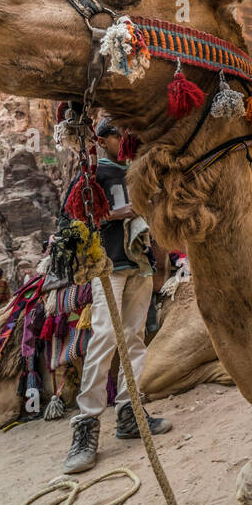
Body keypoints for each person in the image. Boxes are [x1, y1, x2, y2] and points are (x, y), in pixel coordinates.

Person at [62, 118, 171, 474]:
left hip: (139, 262)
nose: (124, 141)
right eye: (118, 136)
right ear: (103, 140)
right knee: (106, 337)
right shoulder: (94, 173)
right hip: (108, 262)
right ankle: (87, 424)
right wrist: (118, 213)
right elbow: (76, 216)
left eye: (127, 136)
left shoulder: (134, 172)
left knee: (134, 338)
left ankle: (130, 412)